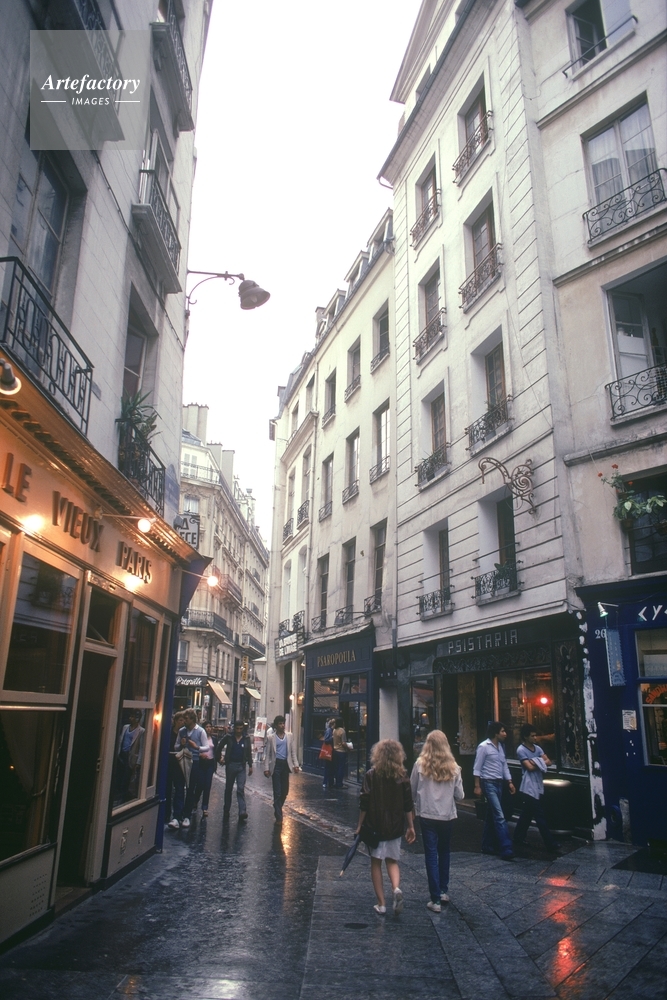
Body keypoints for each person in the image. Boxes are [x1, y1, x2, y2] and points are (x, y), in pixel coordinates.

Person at [355, 739, 415, 916]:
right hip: (395, 827)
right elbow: (408, 805)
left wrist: (359, 825)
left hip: (375, 826)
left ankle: (381, 904)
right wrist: (411, 826)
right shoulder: (402, 777)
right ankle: (396, 888)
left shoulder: (371, 775)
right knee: (392, 860)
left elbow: (364, 803)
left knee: (376, 862)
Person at [410, 730, 464, 912]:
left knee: (431, 854)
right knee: (444, 852)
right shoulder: (454, 767)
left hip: (427, 814)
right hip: (446, 815)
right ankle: (442, 890)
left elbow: (412, 790)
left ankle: (435, 900)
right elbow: (460, 795)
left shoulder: (420, 765)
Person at [513, 724, 560, 852]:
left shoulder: (537, 748)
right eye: (532, 736)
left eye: (535, 735)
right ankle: (550, 843)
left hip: (538, 782)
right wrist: (539, 761)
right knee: (539, 815)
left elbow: (549, 762)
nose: (535, 738)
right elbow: (529, 767)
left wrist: (535, 761)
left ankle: (518, 837)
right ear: (525, 737)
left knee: (527, 814)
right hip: (528, 785)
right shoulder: (521, 750)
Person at [473, 721, 516, 860]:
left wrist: (509, 782)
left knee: (492, 815)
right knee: (499, 815)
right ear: (496, 733)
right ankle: (506, 848)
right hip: (488, 782)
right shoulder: (484, 747)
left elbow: (504, 766)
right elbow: (477, 767)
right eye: (502, 731)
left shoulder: (501, 747)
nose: (505, 734)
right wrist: (477, 786)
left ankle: (486, 845)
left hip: (499, 783)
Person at [176, 708, 210, 828]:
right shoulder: (182, 731)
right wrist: (181, 744)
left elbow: (206, 747)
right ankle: (176, 816)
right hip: (182, 760)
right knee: (179, 788)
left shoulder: (200, 731)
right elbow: (176, 746)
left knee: (191, 789)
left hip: (194, 761)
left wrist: (197, 747)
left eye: (186, 718)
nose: (184, 721)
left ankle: (187, 816)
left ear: (192, 719)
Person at [264, 716, 300, 824]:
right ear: (276, 725)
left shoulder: (289, 736)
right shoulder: (271, 737)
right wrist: (266, 768)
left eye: (283, 723)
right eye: (280, 723)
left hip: (285, 765)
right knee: (277, 791)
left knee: (285, 791)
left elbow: (293, 752)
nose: (282, 725)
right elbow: (268, 754)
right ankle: (279, 816)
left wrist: (296, 765)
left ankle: (277, 806)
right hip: (276, 765)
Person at [219, 719, 253, 821]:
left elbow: (249, 752)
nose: (238, 731)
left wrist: (250, 765)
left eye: (240, 729)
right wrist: (219, 758)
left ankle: (242, 811)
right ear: (234, 728)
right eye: (237, 729)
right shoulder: (229, 737)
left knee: (240, 788)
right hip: (231, 765)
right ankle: (226, 809)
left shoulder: (246, 738)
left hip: (241, 766)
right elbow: (219, 746)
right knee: (228, 788)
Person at [116, 710, 145, 803]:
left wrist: (138, 762)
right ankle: (118, 795)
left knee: (127, 777)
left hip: (131, 756)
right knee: (119, 775)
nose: (131, 719)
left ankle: (123, 797)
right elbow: (121, 739)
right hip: (122, 754)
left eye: (134, 717)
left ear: (138, 719)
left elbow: (141, 747)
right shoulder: (125, 727)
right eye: (131, 716)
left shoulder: (141, 731)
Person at [166, 711, 186, 827]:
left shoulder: (184, 734)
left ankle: (177, 815)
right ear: (175, 721)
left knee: (179, 788)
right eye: (180, 720)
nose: (182, 723)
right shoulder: (169, 733)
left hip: (179, 764)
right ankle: (166, 813)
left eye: (184, 721)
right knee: (167, 788)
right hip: (169, 762)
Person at [197, 721, 217, 817]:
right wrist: (200, 755)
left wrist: (220, 759)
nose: (209, 728)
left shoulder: (214, 739)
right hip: (201, 763)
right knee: (200, 784)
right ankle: (195, 800)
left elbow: (216, 751)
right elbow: (195, 749)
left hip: (210, 763)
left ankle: (205, 807)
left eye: (210, 727)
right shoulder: (200, 738)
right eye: (207, 727)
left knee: (207, 785)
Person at [332, 717, 349, 789]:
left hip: (335, 751)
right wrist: (348, 747)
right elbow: (343, 743)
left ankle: (336, 782)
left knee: (336, 767)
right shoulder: (342, 731)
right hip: (341, 751)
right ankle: (340, 784)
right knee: (341, 768)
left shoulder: (334, 730)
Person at [322, 717, 335, 790]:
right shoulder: (329, 730)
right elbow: (326, 740)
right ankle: (325, 782)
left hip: (332, 751)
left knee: (331, 768)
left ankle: (330, 783)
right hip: (329, 752)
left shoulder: (333, 730)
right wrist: (332, 738)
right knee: (328, 767)